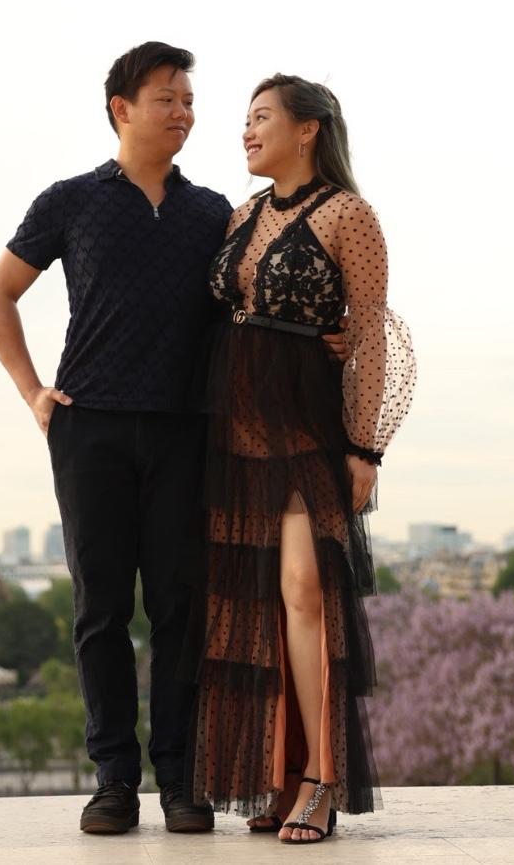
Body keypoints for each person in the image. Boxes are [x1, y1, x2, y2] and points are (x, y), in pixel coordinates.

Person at [0, 42, 239, 835]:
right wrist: (33, 394)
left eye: (190, 99)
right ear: (122, 108)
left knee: (178, 609)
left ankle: (183, 781)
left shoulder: (215, 214)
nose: (185, 111)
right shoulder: (68, 202)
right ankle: (114, 781)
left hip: (183, 430)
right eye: (168, 97)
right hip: (88, 427)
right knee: (100, 611)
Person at [191, 74, 415, 844]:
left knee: (303, 591)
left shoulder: (350, 214)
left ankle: (321, 778)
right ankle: (278, 776)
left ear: (309, 128)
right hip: (230, 433)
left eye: (260, 119)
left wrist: (365, 445)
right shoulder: (239, 214)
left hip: (305, 430)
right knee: (251, 606)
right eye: (244, 121)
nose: (246, 132)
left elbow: (374, 330)